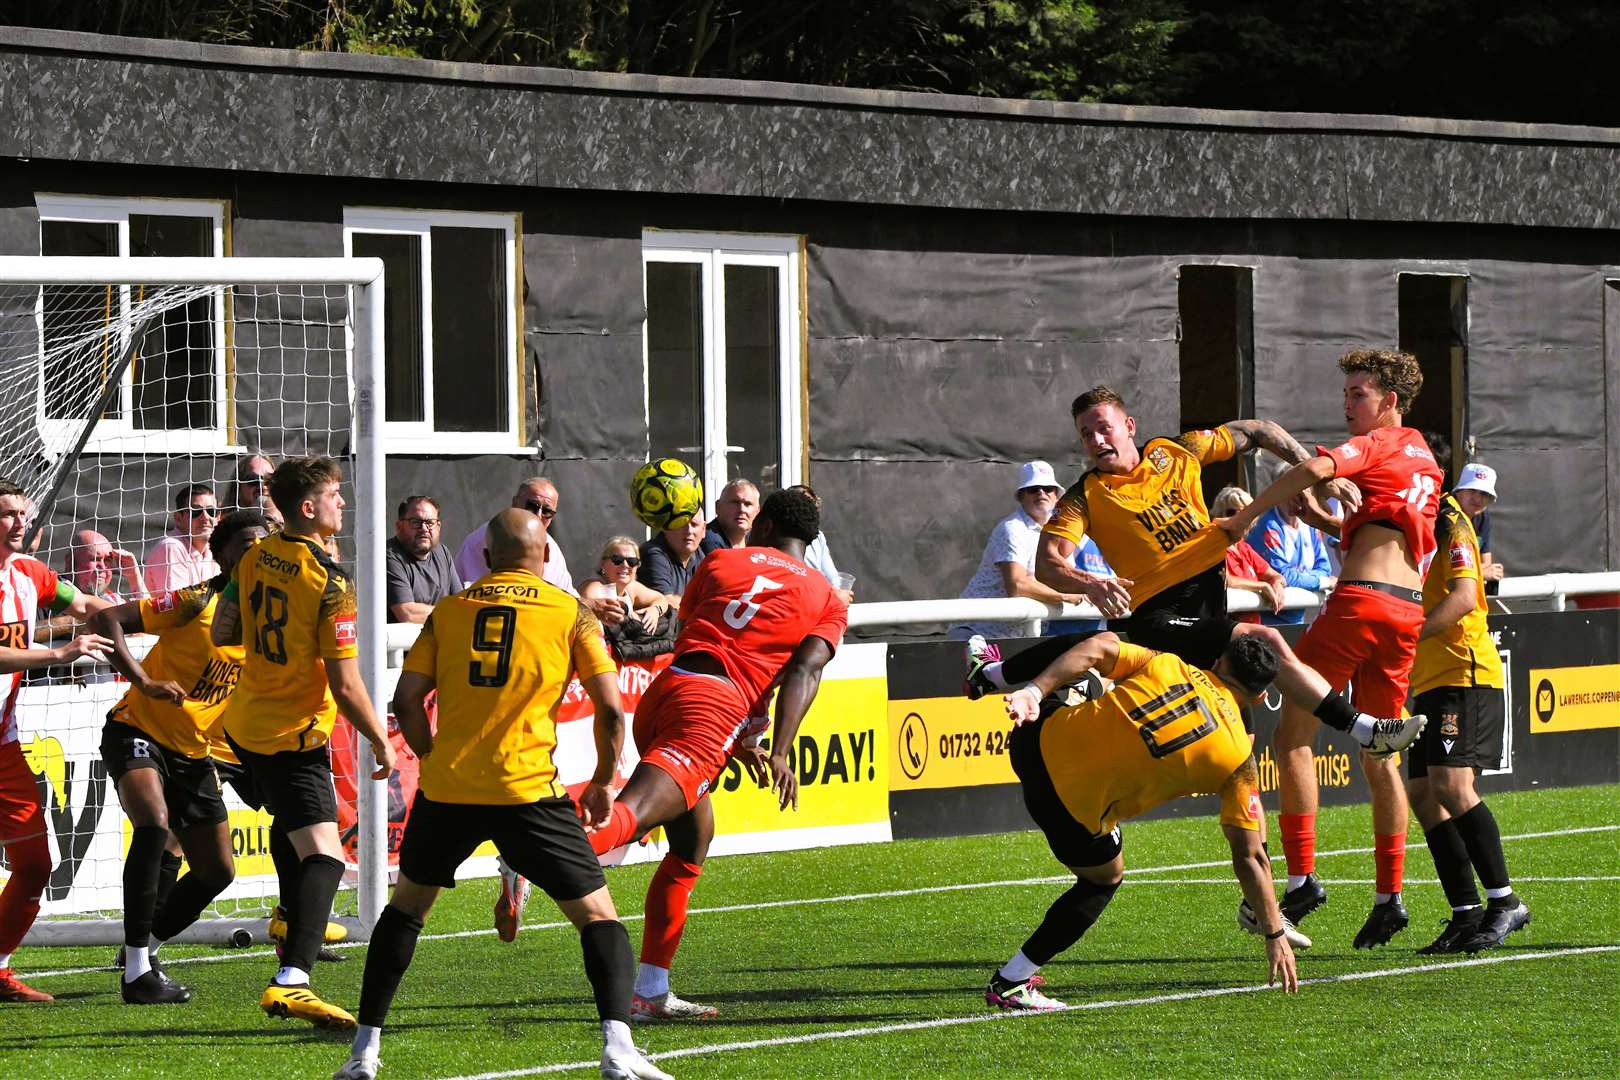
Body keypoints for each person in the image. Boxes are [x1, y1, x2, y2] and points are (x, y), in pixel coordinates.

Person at [969, 387, 1421, 825]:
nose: (1096, 441)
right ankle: (1364, 729)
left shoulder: (1175, 452)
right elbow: (1049, 563)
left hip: (1207, 611)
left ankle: (1288, 887)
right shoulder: (1085, 496)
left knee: (1241, 769)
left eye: (1103, 428)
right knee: (1263, 640)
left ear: (1129, 426)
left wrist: (1326, 474)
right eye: (1086, 435)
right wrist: (1090, 580)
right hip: (1162, 618)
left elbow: (1259, 430)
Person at [333, 510, 670, 1080]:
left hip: (449, 790)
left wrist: (430, 755)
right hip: (527, 791)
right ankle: (617, 1049)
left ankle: (364, 1051)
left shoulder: (449, 610)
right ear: (544, 557)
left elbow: (407, 698)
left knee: (406, 912)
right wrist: (607, 781)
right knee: (599, 918)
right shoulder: (570, 612)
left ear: (486, 558)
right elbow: (611, 707)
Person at [583, 488, 847, 1020]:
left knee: (693, 835)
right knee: (634, 812)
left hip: (668, 690)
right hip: (714, 706)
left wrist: (744, 735)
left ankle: (652, 989)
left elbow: (699, 628)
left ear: (766, 524)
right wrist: (778, 748)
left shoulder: (722, 559)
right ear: (811, 539)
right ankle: (539, 842)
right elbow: (803, 672)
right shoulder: (827, 596)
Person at [1221, 348, 1444, 948]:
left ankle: (1300, 880)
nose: (1348, 405)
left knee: (1292, 735)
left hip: (1359, 605)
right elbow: (1381, 531)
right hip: (1404, 610)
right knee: (1381, 753)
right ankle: (1389, 895)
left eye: (1359, 394)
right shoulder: (1426, 457)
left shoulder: (1381, 442)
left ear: (1390, 401)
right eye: (1347, 393)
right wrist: (1321, 521)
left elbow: (1317, 468)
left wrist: (1250, 516)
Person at [983, 631, 1297, 1010]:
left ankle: (990, 674)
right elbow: (1251, 858)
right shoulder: (1238, 761)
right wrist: (1274, 932)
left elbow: (1098, 646)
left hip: (1032, 743)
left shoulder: (1167, 663)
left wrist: (1034, 691)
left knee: (1087, 667)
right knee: (1104, 879)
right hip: (1070, 816)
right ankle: (1012, 980)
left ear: (1218, 663)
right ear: (1261, 697)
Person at [211, 457, 396, 1029]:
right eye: (337, 495)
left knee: (289, 828)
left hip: (243, 728)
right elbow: (345, 683)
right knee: (325, 854)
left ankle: (292, 918)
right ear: (309, 507)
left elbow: (224, 632)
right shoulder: (330, 581)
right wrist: (381, 739)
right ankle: (293, 979)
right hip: (291, 736)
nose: (345, 502)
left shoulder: (254, 555)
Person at [90, 509, 272, 1004]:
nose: (257, 550)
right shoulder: (198, 599)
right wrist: (143, 680)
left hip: (198, 751)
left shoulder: (273, 617)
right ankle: (134, 972)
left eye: (265, 542)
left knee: (217, 872)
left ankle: (144, 952)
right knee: (153, 825)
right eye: (247, 543)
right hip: (138, 728)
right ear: (223, 555)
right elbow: (107, 617)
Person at [0, 478, 115, 1002]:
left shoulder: (31, 574)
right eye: (8, 514)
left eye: (24, 513)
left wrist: (164, 612)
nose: (21, 522)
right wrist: (59, 654)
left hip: (4, 745)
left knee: (35, 866)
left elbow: (85, 603)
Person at [1406, 470, 1528, 954]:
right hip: (1433, 677)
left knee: (1452, 786)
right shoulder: (1420, 516)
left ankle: (1505, 901)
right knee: (1421, 791)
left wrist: (1406, 637)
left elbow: (1462, 597)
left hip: (1465, 673)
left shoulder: (1451, 521)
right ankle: (1465, 911)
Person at [950, 461, 1085, 641]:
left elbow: (1064, 578)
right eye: (1033, 489)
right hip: (975, 635)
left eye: (1047, 488)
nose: (1041, 493)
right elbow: (1017, 585)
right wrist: (1064, 597)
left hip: (1017, 638)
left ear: (1057, 496)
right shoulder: (1012, 528)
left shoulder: (1062, 534)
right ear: (1021, 496)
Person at [456, 478, 573, 593]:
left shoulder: (553, 549)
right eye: (532, 506)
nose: (538, 515)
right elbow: (471, 595)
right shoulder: (483, 539)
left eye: (547, 511)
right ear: (515, 503)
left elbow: (568, 595)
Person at [1244, 486, 1337, 626]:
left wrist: (1305, 579)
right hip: (1265, 621)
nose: (1298, 499)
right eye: (1293, 491)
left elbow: (1325, 569)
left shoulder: (1311, 526)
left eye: (1304, 493)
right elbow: (1284, 576)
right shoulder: (1267, 525)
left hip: (1298, 620)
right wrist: (1324, 582)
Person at [36, 529, 147, 644]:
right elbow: (25, 633)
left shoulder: (111, 598)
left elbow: (150, 622)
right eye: (95, 559)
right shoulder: (50, 589)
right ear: (70, 561)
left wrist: (134, 576)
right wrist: (73, 623)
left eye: (108, 560)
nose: (103, 567)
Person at [580, 536, 678, 662]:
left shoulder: (631, 588)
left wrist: (655, 610)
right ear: (603, 564)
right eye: (617, 560)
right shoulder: (595, 587)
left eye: (632, 561)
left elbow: (661, 599)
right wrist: (636, 617)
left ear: (638, 566)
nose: (625, 565)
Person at [1210, 487, 1287, 625]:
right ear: (1220, 514)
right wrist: (1262, 586)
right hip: (1225, 630)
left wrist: (1277, 583)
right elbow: (1221, 579)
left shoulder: (1244, 547)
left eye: (1246, 512)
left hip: (1252, 631)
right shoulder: (1212, 546)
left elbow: (1275, 575)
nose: (1240, 518)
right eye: (1232, 512)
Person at [385, 495, 459, 624]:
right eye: (415, 522)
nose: (424, 529)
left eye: (430, 523)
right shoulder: (388, 555)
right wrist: (452, 613)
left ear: (438, 527)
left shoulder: (442, 552)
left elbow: (459, 602)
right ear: (399, 526)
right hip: (404, 643)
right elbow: (407, 613)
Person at [144, 484, 222, 594]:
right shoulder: (170, 548)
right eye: (195, 511)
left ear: (218, 518)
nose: (205, 517)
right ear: (178, 518)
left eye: (211, 511)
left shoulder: (216, 550)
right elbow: (179, 607)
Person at [786, 485, 852, 604]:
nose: (806, 513)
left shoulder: (818, 536)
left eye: (812, 507)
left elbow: (832, 577)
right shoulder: (781, 538)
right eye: (800, 507)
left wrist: (838, 592)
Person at [1454, 463, 1505, 593]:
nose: (1477, 498)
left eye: (1483, 493)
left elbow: (1486, 563)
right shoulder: (1446, 515)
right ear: (1459, 492)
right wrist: (1480, 572)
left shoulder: (1482, 515)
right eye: (1471, 490)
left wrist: (1481, 571)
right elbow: (1442, 569)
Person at [638, 513, 708, 601]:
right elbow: (665, 602)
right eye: (681, 524)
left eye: (694, 524)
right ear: (666, 527)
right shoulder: (652, 554)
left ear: (704, 529)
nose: (689, 530)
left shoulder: (701, 555)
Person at [701, 479, 759, 552]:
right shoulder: (711, 542)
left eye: (747, 504)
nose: (742, 509)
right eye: (735, 502)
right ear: (718, 507)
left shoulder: (757, 540)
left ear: (757, 511)